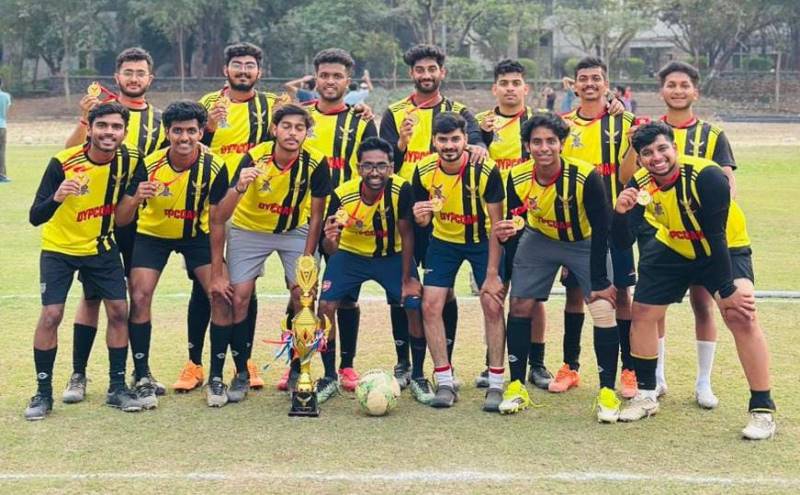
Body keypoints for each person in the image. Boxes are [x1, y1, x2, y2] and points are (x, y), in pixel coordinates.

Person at [612, 122, 776, 440]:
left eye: (662, 148)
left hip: (725, 247)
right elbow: (622, 241)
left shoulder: (707, 175)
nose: (656, 157)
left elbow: (715, 235)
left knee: (740, 314)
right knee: (642, 312)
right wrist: (620, 213)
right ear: (640, 158)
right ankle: (646, 395)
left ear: (675, 147)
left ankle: (762, 409)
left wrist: (727, 289)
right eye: (647, 153)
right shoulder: (640, 183)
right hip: (674, 246)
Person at [61, 47, 184, 403]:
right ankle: (79, 374)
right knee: (92, 295)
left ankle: (141, 371)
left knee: (139, 296)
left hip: (140, 223)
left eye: (140, 72)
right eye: (128, 72)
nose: (134, 78)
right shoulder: (102, 114)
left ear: (150, 78)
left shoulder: (160, 120)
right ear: (117, 77)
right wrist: (83, 119)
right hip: (98, 218)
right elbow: (68, 155)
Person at [620, 61, 739, 409]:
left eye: (684, 85)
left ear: (695, 92)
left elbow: (726, 181)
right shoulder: (647, 131)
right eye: (671, 84)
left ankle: (704, 382)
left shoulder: (712, 135)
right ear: (662, 91)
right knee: (653, 306)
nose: (677, 90)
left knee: (703, 302)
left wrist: (714, 220)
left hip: (701, 230)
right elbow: (627, 177)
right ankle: (656, 377)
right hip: (657, 228)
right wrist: (632, 143)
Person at [25, 102, 145, 420]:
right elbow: (36, 216)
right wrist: (58, 197)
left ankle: (117, 388)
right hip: (59, 249)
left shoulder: (133, 160)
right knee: (51, 315)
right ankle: (43, 393)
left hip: (101, 247)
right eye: (102, 125)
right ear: (89, 129)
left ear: (125, 132)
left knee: (118, 311)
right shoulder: (63, 162)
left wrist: (136, 197)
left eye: (116, 127)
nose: (109, 132)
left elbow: (123, 218)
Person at [496, 113, 617, 420]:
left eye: (551, 141)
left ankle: (607, 392)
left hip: (584, 240)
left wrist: (600, 279)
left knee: (603, 307)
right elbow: (516, 222)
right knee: (520, 303)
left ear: (562, 144)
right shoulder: (517, 176)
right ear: (527, 146)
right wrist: (507, 246)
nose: (544, 148)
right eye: (536, 142)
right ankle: (516, 386)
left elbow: (602, 228)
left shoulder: (585, 176)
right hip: (541, 239)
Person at [113, 101, 234, 407]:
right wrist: (136, 197)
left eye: (191, 131)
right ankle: (142, 376)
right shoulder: (149, 164)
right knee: (139, 295)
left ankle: (216, 377)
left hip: (197, 236)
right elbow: (122, 219)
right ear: (167, 132)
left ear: (201, 132)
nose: (184, 137)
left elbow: (217, 220)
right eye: (177, 131)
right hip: (152, 236)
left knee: (220, 295)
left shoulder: (215, 166)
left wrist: (218, 273)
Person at [380, 44, 487, 388]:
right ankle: (404, 363)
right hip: (405, 209)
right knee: (403, 287)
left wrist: (480, 145)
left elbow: (477, 144)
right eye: (420, 70)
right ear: (411, 74)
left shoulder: (459, 112)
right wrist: (401, 143)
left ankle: (446, 363)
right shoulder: (394, 113)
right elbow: (383, 163)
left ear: (442, 72)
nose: (426, 75)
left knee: (445, 290)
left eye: (432, 69)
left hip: (447, 213)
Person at [209, 103, 330, 404]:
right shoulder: (254, 157)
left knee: (304, 294)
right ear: (275, 129)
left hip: (294, 230)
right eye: (286, 126)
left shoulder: (316, 162)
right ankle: (240, 372)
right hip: (249, 229)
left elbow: (317, 216)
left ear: (306, 133)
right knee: (239, 297)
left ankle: (298, 371)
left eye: (299, 128)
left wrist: (307, 257)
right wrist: (239, 186)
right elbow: (221, 214)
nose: (292, 133)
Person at [281, 48, 378, 394]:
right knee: (299, 294)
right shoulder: (300, 117)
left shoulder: (361, 120)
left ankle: (345, 366)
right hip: (301, 218)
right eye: (324, 75)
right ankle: (297, 363)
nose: (330, 81)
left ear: (348, 81)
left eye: (337, 76)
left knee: (344, 297)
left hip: (345, 219)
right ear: (315, 78)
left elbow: (374, 166)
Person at [318, 137, 433, 404]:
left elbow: (407, 234)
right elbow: (330, 247)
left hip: (392, 256)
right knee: (325, 305)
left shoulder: (401, 189)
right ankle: (329, 376)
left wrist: (407, 278)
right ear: (358, 168)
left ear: (391, 167)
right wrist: (331, 240)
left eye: (381, 166)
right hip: (351, 255)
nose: (374, 172)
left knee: (413, 302)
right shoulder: (342, 195)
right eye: (368, 166)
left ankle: (417, 375)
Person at [199, 42, 281, 389]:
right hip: (213, 204)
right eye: (237, 64)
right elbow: (192, 145)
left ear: (259, 71)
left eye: (250, 65)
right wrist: (209, 128)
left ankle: (243, 362)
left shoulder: (272, 105)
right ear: (226, 70)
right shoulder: (208, 103)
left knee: (246, 286)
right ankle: (194, 363)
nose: (243, 71)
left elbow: (297, 129)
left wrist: (361, 112)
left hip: (252, 207)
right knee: (207, 285)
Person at [556, 57, 638, 404]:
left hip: (615, 221)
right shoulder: (562, 125)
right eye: (583, 79)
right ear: (574, 85)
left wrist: (633, 143)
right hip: (576, 226)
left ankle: (629, 369)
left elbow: (625, 176)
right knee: (575, 294)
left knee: (621, 294)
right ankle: (570, 366)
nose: (590, 84)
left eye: (596, 78)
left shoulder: (624, 122)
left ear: (606, 84)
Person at [411, 112, 505, 410]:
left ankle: (496, 383)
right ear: (434, 141)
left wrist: (492, 273)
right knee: (430, 305)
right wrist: (421, 218)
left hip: (482, 242)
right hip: (444, 242)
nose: (449, 145)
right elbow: (422, 220)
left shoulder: (485, 169)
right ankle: (444, 381)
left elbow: (497, 224)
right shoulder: (423, 169)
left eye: (455, 139)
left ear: (466, 139)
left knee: (492, 303)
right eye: (443, 139)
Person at [474, 59, 550, 390]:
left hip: (530, 223)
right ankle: (493, 363)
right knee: (493, 295)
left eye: (516, 83)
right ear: (495, 88)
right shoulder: (480, 124)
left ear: (525, 88)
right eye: (504, 83)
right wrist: (481, 138)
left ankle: (537, 363)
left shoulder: (538, 123)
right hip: (490, 222)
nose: (510, 88)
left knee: (531, 298)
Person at [0, 77, 11, 182]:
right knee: (2, 151)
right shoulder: (6, 96)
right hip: (2, 126)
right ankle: (2, 175)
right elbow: (6, 111)